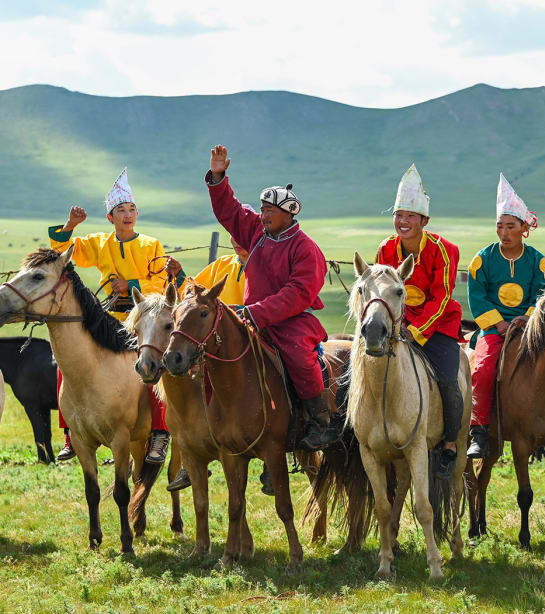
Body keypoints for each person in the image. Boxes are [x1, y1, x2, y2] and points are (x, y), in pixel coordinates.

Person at [205, 145, 337, 456]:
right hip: (252, 316)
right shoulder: (256, 231)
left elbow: (298, 293)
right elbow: (230, 211)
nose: (263, 215)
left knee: (299, 355)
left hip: (291, 321)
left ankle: (319, 420)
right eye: (262, 210)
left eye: (270, 211)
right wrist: (218, 178)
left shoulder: (306, 248)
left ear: (288, 214)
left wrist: (257, 312)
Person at [48, 168, 176, 464]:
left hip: (143, 320)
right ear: (110, 217)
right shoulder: (99, 243)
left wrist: (130, 286)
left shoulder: (151, 244)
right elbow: (62, 250)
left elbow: (160, 284)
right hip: (110, 318)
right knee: (68, 360)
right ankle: (70, 432)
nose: (127, 215)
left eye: (131, 209)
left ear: (137, 214)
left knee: (156, 365)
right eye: (121, 210)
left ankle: (160, 432)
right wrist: (71, 224)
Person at [466, 174, 545, 461]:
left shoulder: (538, 261)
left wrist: (526, 319)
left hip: (531, 327)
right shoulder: (482, 259)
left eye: (511, 226)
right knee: (483, 369)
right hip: (493, 329)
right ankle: (479, 431)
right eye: (500, 226)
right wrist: (498, 322)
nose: (504, 233)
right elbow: (477, 296)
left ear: (524, 228)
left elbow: (543, 296)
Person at [374, 164, 464, 479]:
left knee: (449, 381)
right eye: (399, 215)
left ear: (424, 221)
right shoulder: (385, 248)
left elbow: (442, 297)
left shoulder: (444, 250)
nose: (403, 221)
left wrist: (416, 331)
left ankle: (450, 444)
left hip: (436, 326)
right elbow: (380, 291)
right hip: (397, 324)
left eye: (410, 216)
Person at [164, 236, 248, 491]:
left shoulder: (265, 263)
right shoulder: (221, 264)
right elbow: (193, 294)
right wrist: (179, 275)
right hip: (216, 339)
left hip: (251, 334)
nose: (237, 240)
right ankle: (193, 452)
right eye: (233, 234)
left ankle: (271, 455)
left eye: (243, 233)